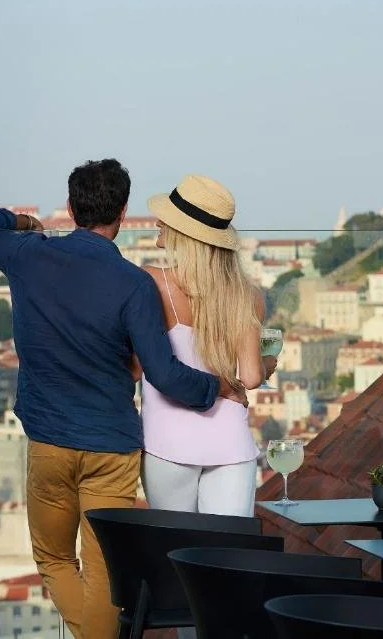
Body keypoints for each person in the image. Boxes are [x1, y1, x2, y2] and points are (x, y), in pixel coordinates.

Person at [0, 159, 246, 639]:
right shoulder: (134, 283)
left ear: (70, 208)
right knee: (104, 574)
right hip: (112, 448)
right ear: (123, 212)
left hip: (49, 441)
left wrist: (24, 222)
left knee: (53, 558)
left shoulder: (28, 254)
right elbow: (164, 374)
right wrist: (219, 386)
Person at [136, 174, 275, 518]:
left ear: (185, 234)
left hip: (167, 442)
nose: (157, 223)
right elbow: (251, 377)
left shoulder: (150, 281)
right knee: (228, 547)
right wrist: (269, 362)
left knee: (174, 546)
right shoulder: (247, 295)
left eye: (166, 220)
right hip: (230, 443)